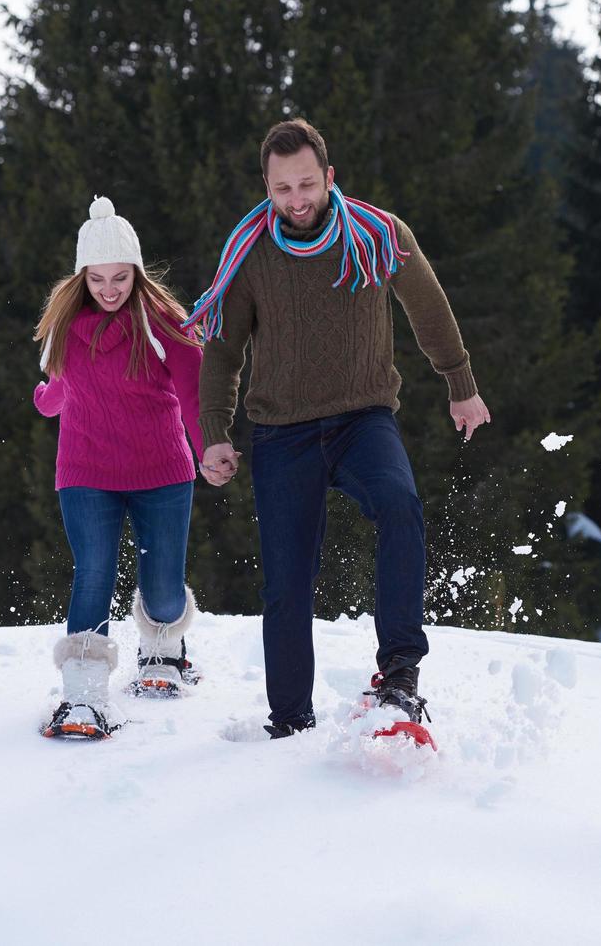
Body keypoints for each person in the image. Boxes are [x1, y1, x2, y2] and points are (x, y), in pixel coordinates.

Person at [191, 118, 491, 740]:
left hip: (362, 418)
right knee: (288, 581)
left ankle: (400, 676)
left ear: (329, 177)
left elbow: (427, 306)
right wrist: (214, 431)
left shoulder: (379, 235)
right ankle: (289, 722)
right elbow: (223, 349)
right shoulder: (250, 252)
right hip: (280, 432)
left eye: (306, 184)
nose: (296, 200)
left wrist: (461, 386)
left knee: (400, 505)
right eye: (281, 189)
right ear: (266, 188)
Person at [32, 196, 206, 739]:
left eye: (121, 277)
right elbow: (61, 388)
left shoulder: (164, 324)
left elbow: (193, 394)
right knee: (94, 572)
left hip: (162, 470)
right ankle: (82, 697)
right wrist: (45, 400)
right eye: (99, 278)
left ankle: (163, 648)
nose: (110, 289)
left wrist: (210, 448)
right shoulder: (66, 328)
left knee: (163, 587)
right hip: (85, 470)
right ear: (83, 277)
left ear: (137, 274)